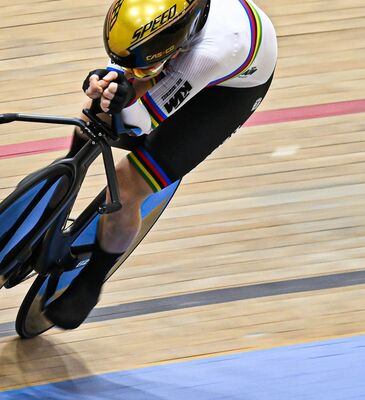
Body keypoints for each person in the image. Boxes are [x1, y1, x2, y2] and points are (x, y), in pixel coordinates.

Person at [44, 0, 278, 329]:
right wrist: (107, 78)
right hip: (188, 45)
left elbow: (141, 122)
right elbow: (130, 62)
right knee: (95, 109)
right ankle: (63, 185)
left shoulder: (211, 52)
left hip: (228, 93)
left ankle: (92, 281)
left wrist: (122, 95)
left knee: (126, 186)